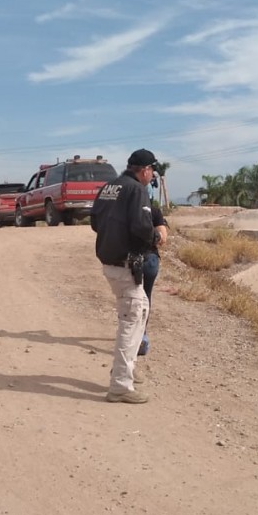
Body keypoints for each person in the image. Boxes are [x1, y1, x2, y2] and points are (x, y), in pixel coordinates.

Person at [90, 148, 165, 404]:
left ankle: (126, 369)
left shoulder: (109, 187)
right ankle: (121, 385)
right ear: (144, 170)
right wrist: (156, 237)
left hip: (111, 261)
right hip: (124, 264)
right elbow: (142, 227)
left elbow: (94, 223)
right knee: (132, 319)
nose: (152, 175)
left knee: (139, 310)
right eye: (152, 170)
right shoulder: (136, 190)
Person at [138, 204, 168, 356]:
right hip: (149, 259)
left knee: (128, 298)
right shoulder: (154, 211)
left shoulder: (123, 206)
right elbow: (163, 238)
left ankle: (130, 333)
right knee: (146, 296)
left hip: (126, 260)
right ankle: (142, 334)